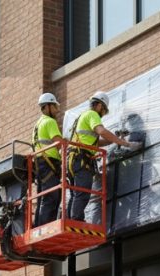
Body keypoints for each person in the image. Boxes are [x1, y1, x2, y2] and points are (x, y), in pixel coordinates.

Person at [66, 91, 140, 222]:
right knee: (83, 192)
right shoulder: (93, 114)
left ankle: (70, 221)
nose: (103, 113)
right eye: (104, 110)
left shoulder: (82, 117)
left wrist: (114, 139)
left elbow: (95, 141)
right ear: (99, 105)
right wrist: (125, 143)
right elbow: (102, 131)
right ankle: (76, 221)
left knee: (76, 192)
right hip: (81, 160)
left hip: (73, 159)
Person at [33, 92, 64, 226]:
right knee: (52, 195)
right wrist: (67, 142)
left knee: (43, 196)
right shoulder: (49, 121)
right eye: (54, 107)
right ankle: (46, 226)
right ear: (47, 107)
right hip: (48, 162)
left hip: (41, 164)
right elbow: (58, 141)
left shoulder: (37, 124)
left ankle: (40, 225)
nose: (56, 111)